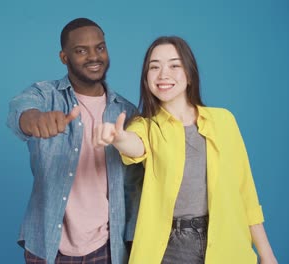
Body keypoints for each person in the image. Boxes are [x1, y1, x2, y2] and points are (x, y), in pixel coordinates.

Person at [93, 36, 278, 263]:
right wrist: (118, 138)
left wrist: (267, 254)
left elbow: (246, 194)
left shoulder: (224, 121)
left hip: (226, 243)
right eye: (154, 67)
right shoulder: (145, 126)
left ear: (189, 74)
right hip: (171, 249)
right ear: (146, 78)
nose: (163, 74)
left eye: (174, 65)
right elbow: (135, 145)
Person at [7, 18, 143, 264]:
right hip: (47, 245)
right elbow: (20, 110)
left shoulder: (127, 112)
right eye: (81, 50)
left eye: (100, 47)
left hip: (107, 248)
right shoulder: (45, 96)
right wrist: (35, 119)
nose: (94, 57)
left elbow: (133, 189)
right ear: (64, 57)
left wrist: (132, 244)